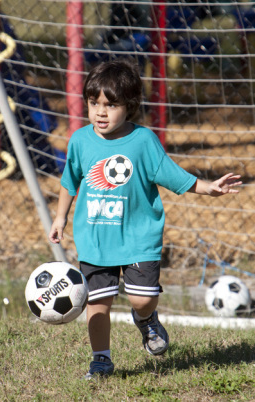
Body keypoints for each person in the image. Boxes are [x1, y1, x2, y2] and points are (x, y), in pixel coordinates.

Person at [48, 59, 242, 379]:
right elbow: (70, 181)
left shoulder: (143, 141)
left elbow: (172, 175)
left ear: (131, 105)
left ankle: (146, 321)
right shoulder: (80, 141)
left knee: (142, 299)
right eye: (94, 103)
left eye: (110, 105)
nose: (100, 112)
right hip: (95, 237)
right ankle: (101, 359)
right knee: (97, 302)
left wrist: (209, 188)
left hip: (139, 235)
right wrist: (60, 218)